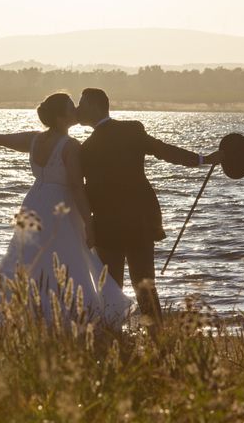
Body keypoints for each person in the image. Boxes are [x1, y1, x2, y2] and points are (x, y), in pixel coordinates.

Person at [0, 93, 131, 327]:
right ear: (62, 117)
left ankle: (14, 313)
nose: (76, 109)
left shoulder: (33, 139)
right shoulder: (70, 146)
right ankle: (66, 317)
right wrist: (89, 221)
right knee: (68, 259)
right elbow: (75, 186)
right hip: (60, 207)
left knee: (26, 257)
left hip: (34, 202)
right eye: (70, 107)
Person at [76, 88, 223, 329]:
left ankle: (117, 337)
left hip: (108, 224)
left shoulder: (86, 148)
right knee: (144, 284)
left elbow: (81, 189)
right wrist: (202, 159)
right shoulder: (126, 132)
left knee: (113, 287)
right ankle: (156, 338)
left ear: (94, 105)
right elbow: (164, 150)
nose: (79, 110)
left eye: (82, 105)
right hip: (138, 221)